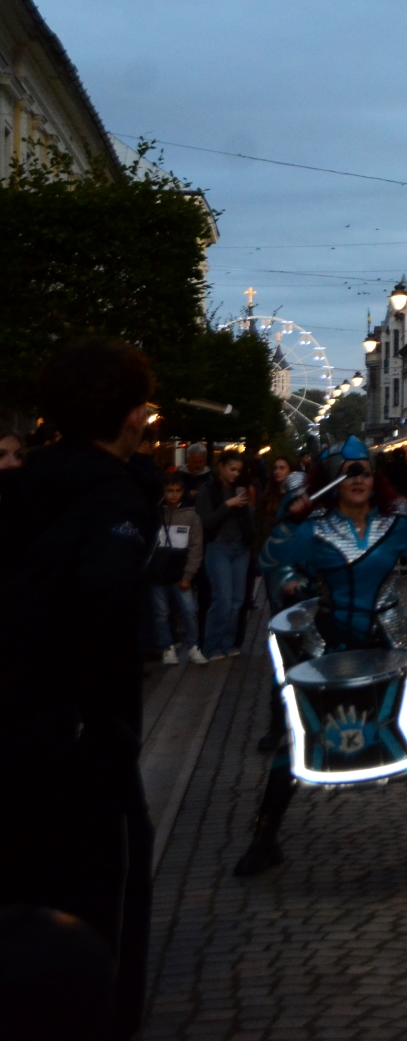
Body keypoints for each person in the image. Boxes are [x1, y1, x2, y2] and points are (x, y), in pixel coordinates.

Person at [0, 339, 162, 1038]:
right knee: (99, 910)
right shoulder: (114, 495)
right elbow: (99, 604)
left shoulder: (19, 483)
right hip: (77, 743)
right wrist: (106, 731)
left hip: (11, 731)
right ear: (131, 417)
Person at [234, 435, 407, 877]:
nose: (358, 479)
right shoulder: (313, 529)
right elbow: (273, 562)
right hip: (330, 638)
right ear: (333, 481)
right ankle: (265, 838)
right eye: (348, 471)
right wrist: (289, 562)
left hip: (391, 637)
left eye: (365, 470)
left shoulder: (394, 525)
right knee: (299, 730)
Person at [193, 451, 255, 662]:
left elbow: (248, 520)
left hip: (241, 547)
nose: (235, 474)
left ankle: (228, 644)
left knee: (237, 600)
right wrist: (227, 505)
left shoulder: (240, 489)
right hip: (218, 546)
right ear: (221, 466)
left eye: (238, 470)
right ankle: (211, 646)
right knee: (223, 599)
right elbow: (206, 522)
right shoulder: (207, 490)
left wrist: (246, 506)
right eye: (232, 469)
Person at [149, 472, 204, 665]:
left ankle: (193, 647)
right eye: (169, 491)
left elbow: (196, 547)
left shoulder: (191, 516)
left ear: (183, 492)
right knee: (162, 613)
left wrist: (189, 574)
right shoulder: (155, 513)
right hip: (158, 571)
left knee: (189, 611)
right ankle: (167, 647)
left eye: (177, 491)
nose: (173, 495)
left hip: (180, 571)